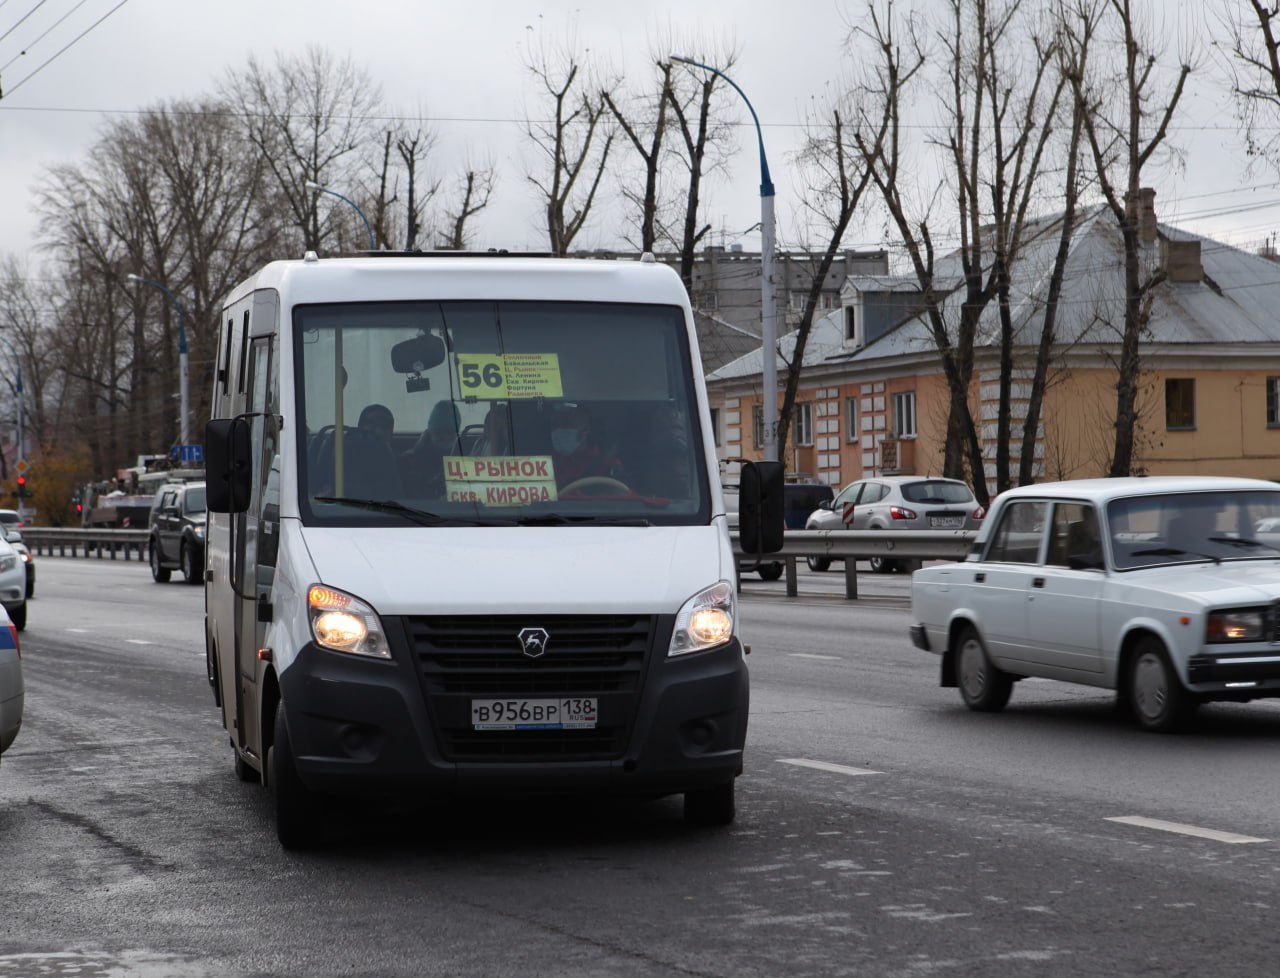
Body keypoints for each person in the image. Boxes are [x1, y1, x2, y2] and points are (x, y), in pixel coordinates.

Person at [549, 405, 624, 490]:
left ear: (585, 431)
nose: (559, 430)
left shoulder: (609, 464)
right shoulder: (547, 464)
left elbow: (620, 497)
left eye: (566, 425)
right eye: (555, 425)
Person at [629, 403, 692, 500]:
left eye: (676, 428)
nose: (671, 434)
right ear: (648, 434)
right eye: (662, 429)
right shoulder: (639, 464)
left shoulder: (692, 458)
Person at [401, 400, 461, 497]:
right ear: (430, 430)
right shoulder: (408, 462)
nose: (445, 436)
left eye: (450, 432)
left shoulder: (466, 462)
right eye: (440, 431)